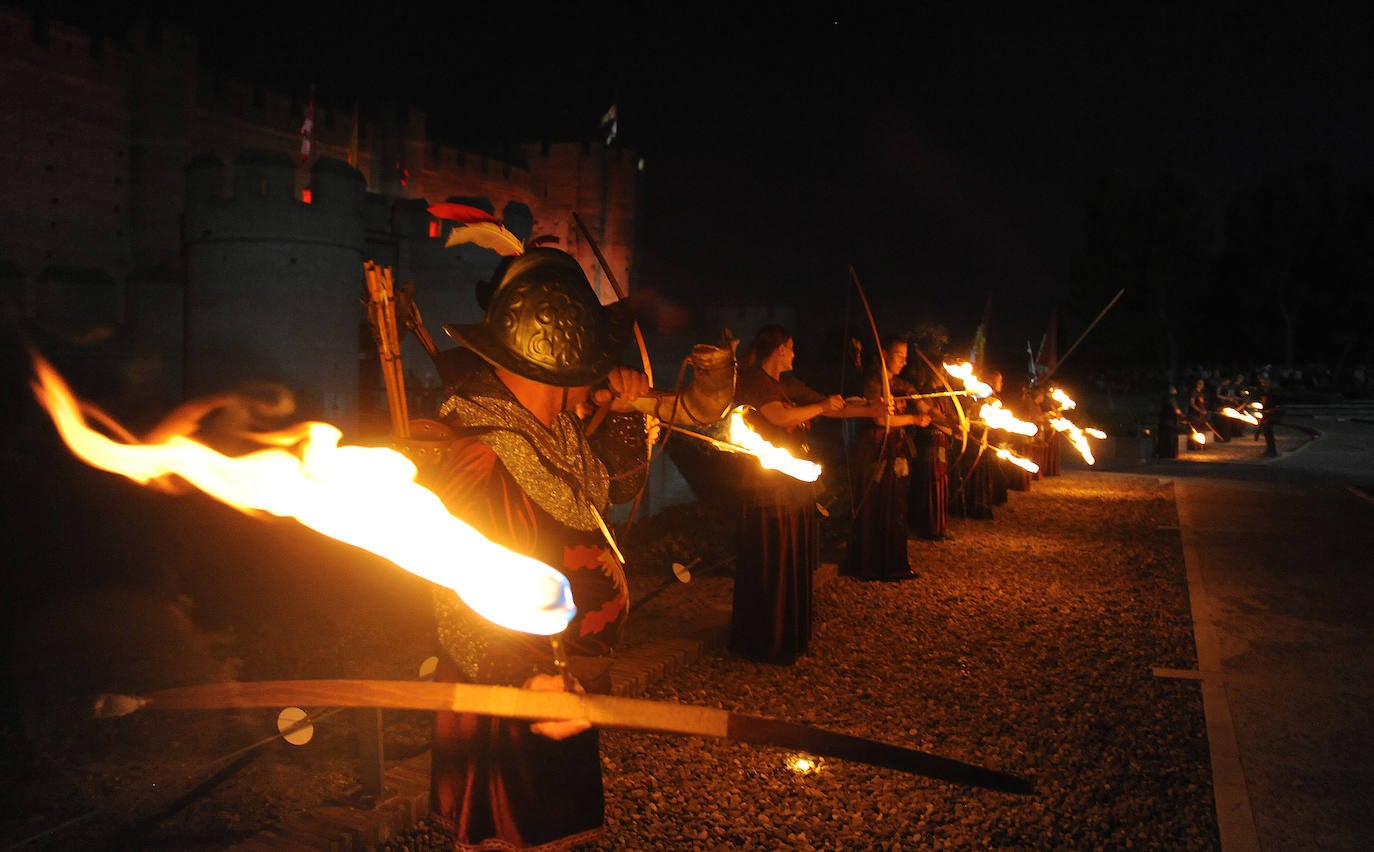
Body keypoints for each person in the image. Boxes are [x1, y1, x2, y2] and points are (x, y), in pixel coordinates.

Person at [416, 248, 653, 849]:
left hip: (562, 679)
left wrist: (623, 415)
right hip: (512, 699)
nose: (603, 369)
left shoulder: (560, 429)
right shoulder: (481, 449)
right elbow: (456, 602)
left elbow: (613, 493)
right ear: (561, 352)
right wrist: (524, 685)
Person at [730, 324, 851, 664]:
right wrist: (822, 406)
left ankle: (788, 634)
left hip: (792, 486)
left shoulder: (787, 384)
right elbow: (778, 415)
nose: (795, 354)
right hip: (766, 487)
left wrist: (872, 409)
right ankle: (765, 639)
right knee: (772, 558)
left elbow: (831, 408)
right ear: (780, 349)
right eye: (792, 348)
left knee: (791, 557)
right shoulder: (755, 380)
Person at [843, 336, 930, 581]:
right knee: (874, 504)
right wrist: (914, 420)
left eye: (905, 357)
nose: (903, 361)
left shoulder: (903, 384)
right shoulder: (873, 381)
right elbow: (880, 419)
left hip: (897, 449)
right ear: (883, 353)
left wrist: (942, 418)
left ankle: (893, 563)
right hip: (874, 450)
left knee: (896, 505)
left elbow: (924, 407)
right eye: (898, 356)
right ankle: (869, 564)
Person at [1155, 386, 1182, 459]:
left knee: (1165, 439)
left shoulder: (1164, 401)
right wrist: (1180, 415)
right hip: (1170, 424)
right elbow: (1176, 411)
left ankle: (1164, 453)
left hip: (1164, 423)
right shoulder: (1171, 401)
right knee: (1169, 440)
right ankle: (1169, 454)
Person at [1187, 378, 1208, 452]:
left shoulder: (1200, 393)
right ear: (1198, 384)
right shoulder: (1194, 392)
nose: (1202, 385)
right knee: (1195, 430)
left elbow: (1201, 403)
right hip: (1194, 415)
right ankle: (1194, 446)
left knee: (1201, 430)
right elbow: (1192, 404)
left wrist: (1204, 410)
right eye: (1201, 383)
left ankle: (1200, 445)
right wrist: (1200, 410)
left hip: (1201, 416)